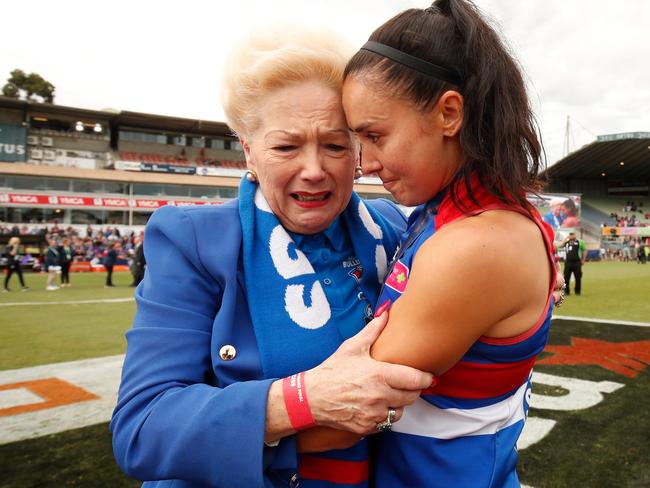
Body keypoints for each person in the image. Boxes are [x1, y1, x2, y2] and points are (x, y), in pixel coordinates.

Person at [111, 26, 434, 488]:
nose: (314, 170)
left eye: (335, 145)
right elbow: (141, 429)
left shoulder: (396, 226)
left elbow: (482, 239)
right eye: (286, 146)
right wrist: (304, 399)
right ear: (249, 150)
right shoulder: (194, 239)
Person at [299, 1, 559, 485]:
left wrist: (216, 425)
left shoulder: (478, 244)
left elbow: (339, 420)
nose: (365, 163)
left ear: (449, 113)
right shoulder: (448, 212)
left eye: (375, 135)